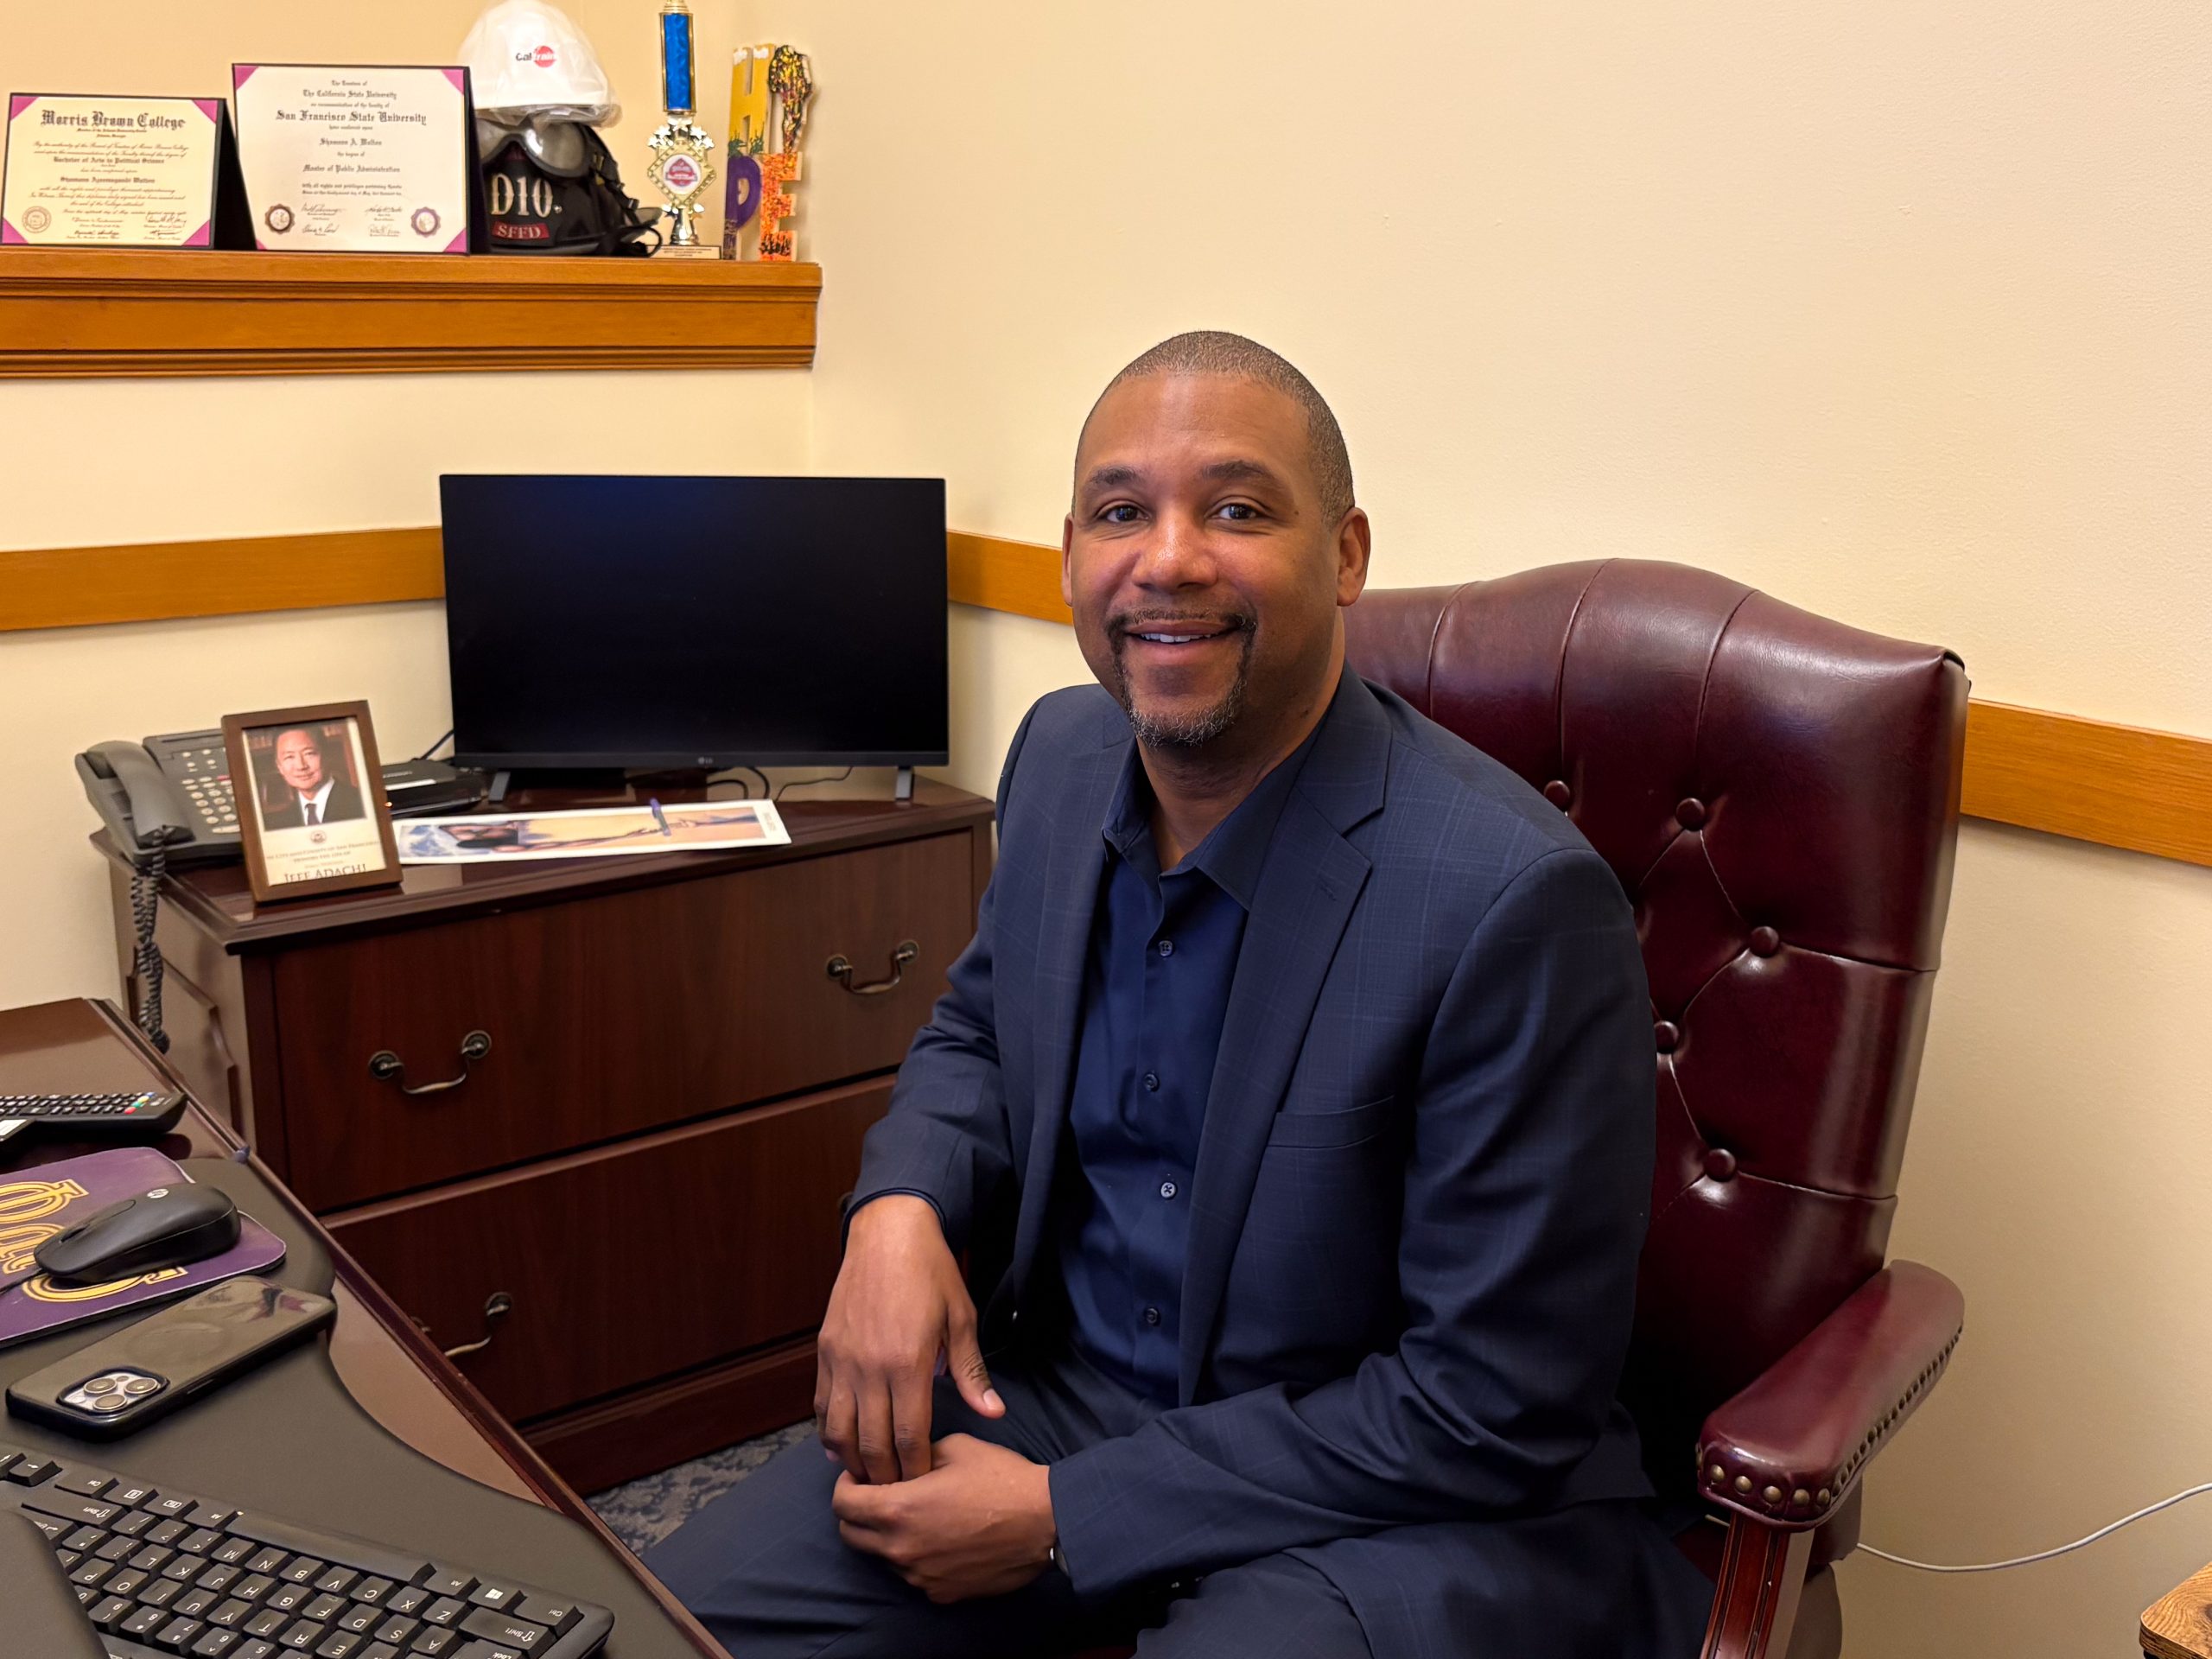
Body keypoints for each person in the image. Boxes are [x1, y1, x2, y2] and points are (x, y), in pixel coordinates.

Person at [645, 333, 1711, 1656]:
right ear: (1072, 558)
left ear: (1347, 555)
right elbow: (981, 1027)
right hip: (1069, 1395)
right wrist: (898, 1208)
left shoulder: (1512, 899)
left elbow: (1490, 1404)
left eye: (1239, 509)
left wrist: (1070, 1515)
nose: (1168, 558)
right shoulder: (1059, 751)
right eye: (1120, 511)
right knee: (658, 1626)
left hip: (1396, 1495)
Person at [259, 726, 364, 830]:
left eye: (309, 754)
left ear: (326, 756)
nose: (301, 766)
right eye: (289, 757)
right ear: (279, 767)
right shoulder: (277, 824)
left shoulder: (361, 803)